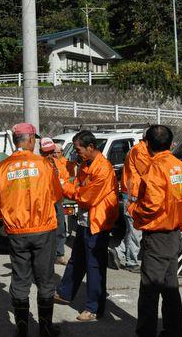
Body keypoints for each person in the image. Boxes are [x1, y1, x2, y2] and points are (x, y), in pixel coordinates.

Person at [0, 123, 62, 337]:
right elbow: (56, 194)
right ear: (30, 139)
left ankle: (22, 329)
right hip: (43, 229)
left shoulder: (2, 167)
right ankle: (46, 329)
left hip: (16, 232)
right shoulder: (44, 164)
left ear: (16, 140)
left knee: (20, 279)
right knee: (45, 279)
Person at [129, 125, 182, 337]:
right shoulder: (181, 167)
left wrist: (133, 209)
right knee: (170, 287)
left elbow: (151, 205)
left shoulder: (156, 168)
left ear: (147, 144)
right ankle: (175, 330)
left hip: (158, 235)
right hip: (174, 233)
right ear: (171, 143)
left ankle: (146, 332)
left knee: (149, 289)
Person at [55, 130, 119, 322]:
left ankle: (94, 308)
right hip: (85, 220)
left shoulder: (103, 169)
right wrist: (70, 186)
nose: (76, 153)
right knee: (77, 259)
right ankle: (65, 293)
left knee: (94, 266)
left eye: (78, 149)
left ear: (90, 147)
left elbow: (85, 196)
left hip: (98, 223)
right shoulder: (85, 164)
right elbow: (79, 189)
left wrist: (63, 185)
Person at [112, 134, 149, 273]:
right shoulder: (140, 151)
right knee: (135, 229)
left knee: (133, 229)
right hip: (133, 194)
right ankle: (131, 262)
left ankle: (119, 251)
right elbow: (148, 170)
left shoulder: (138, 149)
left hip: (133, 193)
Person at [41, 138, 68, 265]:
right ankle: (47, 256)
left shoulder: (58, 164)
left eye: (51, 152)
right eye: (46, 152)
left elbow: (65, 178)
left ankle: (59, 254)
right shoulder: (38, 165)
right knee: (46, 230)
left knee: (60, 228)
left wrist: (62, 183)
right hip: (44, 202)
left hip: (57, 200)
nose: (50, 155)